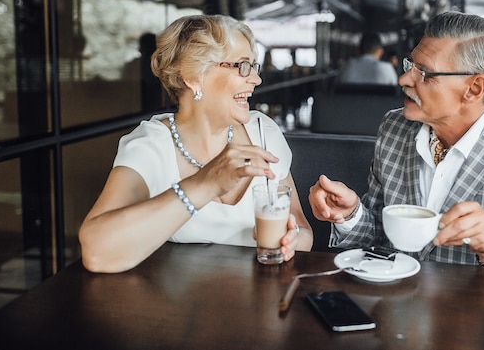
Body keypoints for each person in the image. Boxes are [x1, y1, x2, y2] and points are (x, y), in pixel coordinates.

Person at [309, 11, 484, 270]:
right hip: (390, 303)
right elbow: (379, 235)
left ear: (474, 88)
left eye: (425, 73)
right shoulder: (394, 127)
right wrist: (350, 214)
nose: (403, 79)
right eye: (410, 65)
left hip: (471, 310)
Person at [79, 14, 313, 273]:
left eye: (253, 67)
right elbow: (96, 252)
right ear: (192, 75)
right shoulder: (151, 146)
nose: (256, 80)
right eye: (242, 66)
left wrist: (292, 241)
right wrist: (205, 184)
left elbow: (302, 231)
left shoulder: (263, 131)